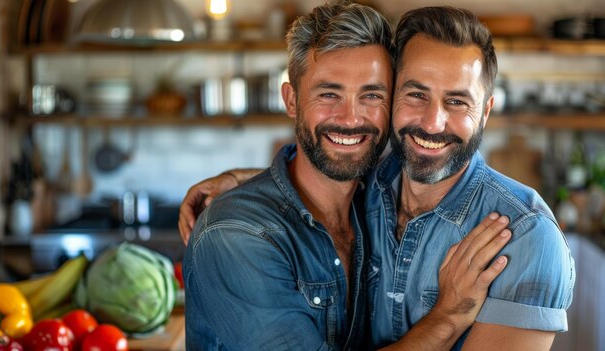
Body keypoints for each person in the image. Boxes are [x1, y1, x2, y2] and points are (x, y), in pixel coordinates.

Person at [181, 4, 576, 350]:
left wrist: (245, 179)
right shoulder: (242, 231)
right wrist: (448, 317)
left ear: (486, 111)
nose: (432, 122)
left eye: (456, 101)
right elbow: (327, 169)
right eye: (416, 95)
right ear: (291, 100)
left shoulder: (523, 235)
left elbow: (338, 164)